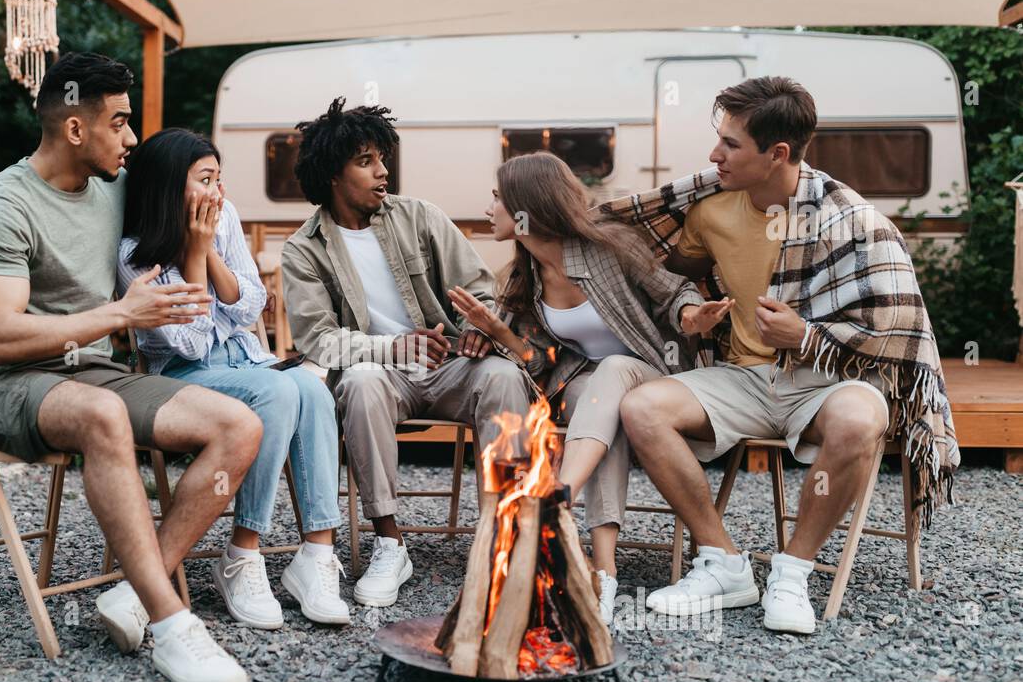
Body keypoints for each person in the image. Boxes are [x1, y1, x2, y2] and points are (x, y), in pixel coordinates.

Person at [610, 76, 958, 635]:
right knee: (642, 408)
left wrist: (808, 336)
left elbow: (898, 326)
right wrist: (688, 311)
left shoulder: (853, 220)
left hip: (823, 379)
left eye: (730, 144)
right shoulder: (708, 209)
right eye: (718, 139)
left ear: (777, 154)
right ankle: (723, 563)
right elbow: (664, 270)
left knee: (862, 418)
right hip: (742, 378)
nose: (713, 154)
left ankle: (792, 572)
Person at [0, 52, 261, 682]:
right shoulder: (2, 205)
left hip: (99, 371)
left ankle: (133, 588)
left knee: (238, 423)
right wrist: (120, 311)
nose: (132, 139)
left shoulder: (115, 186)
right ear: (76, 130)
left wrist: (209, 197)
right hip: (16, 384)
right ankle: (174, 625)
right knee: (103, 416)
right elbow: (4, 336)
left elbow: (184, 188)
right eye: (120, 123)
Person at [445, 151, 730, 623]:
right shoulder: (524, 276)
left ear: (524, 208)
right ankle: (604, 570)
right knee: (594, 398)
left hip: (657, 380)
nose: (487, 209)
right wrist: (493, 332)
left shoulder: (610, 247)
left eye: (497, 198)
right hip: (597, 392)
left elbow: (674, 289)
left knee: (614, 369)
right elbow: (537, 363)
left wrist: (691, 316)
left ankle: (556, 500)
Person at [281, 97, 531, 608]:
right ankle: (390, 542)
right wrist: (393, 347)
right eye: (365, 161)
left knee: (504, 379)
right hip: (383, 374)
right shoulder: (304, 249)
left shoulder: (420, 218)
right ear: (333, 174)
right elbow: (318, 340)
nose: (382, 171)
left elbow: (482, 293)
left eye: (382, 159)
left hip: (452, 367)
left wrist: (480, 328)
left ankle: (505, 537)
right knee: (360, 382)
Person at [117, 128, 348, 629]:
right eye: (205, 180)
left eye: (219, 178)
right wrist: (193, 253)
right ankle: (242, 553)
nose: (217, 192)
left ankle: (316, 554)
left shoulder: (226, 217)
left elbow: (250, 303)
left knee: (311, 385)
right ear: (168, 188)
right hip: (181, 378)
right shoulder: (134, 255)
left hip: (244, 359)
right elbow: (196, 342)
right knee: (278, 390)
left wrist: (208, 248)